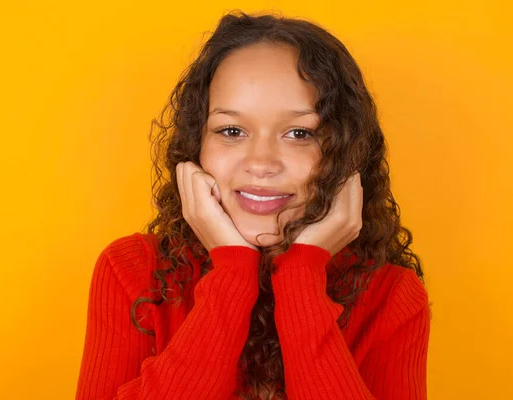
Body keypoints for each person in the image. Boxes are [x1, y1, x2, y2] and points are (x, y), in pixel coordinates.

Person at [75, 10, 430, 400]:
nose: (261, 163)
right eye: (231, 130)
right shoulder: (132, 271)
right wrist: (232, 274)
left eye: (299, 133)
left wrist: (301, 276)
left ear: (345, 153)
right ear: (196, 146)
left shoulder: (392, 297)